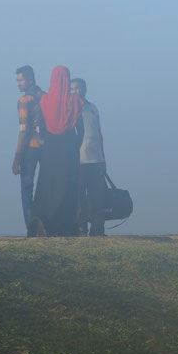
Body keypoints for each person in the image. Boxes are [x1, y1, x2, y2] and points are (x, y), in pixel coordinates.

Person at [29, 66, 85, 237]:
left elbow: (40, 127)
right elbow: (80, 130)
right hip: (68, 149)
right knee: (67, 186)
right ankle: (66, 227)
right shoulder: (74, 102)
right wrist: (74, 146)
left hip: (49, 150)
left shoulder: (44, 101)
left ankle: (44, 222)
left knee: (47, 184)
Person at [70, 78, 108, 237]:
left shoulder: (92, 108)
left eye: (78, 88)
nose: (75, 91)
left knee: (97, 197)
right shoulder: (69, 110)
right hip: (78, 161)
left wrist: (103, 158)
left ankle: (98, 230)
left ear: (85, 89)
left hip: (96, 160)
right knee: (78, 197)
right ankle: (81, 229)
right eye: (72, 89)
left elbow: (99, 134)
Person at [11, 65, 44, 235]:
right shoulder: (45, 97)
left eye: (20, 80)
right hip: (47, 148)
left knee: (26, 189)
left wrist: (17, 157)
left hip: (30, 148)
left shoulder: (24, 101)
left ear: (30, 79)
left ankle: (32, 230)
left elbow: (23, 130)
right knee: (45, 187)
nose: (18, 84)